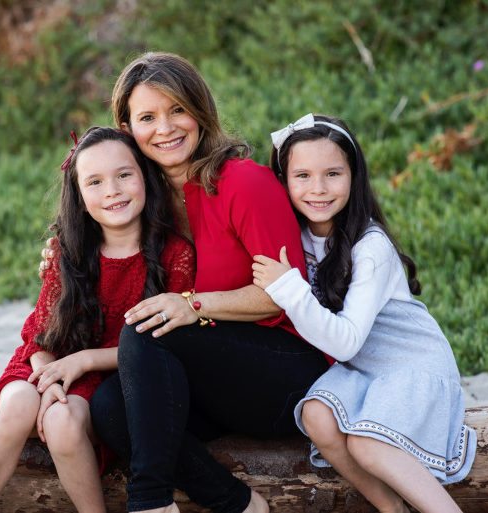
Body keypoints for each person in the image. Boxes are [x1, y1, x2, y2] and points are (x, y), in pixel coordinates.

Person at [86, 52, 330, 513]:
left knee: (153, 327)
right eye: (147, 117)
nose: (166, 128)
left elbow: (283, 295)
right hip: (213, 383)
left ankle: (150, 502)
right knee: (108, 409)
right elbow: (95, 224)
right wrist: (61, 256)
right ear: (126, 128)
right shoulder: (145, 198)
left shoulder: (242, 183)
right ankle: (240, 504)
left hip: (286, 375)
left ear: (200, 111)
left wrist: (192, 305)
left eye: (178, 109)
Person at [0, 126, 196, 513]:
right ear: (81, 198)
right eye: (95, 181)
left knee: (62, 422)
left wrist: (83, 362)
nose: (112, 191)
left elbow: (165, 342)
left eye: (124, 175)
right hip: (47, 361)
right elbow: (41, 333)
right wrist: (48, 378)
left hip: (110, 376)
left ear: (145, 177)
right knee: (19, 401)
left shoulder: (175, 255)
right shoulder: (68, 252)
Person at [252, 113, 476, 513]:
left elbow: (346, 339)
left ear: (354, 177)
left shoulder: (370, 246)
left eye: (333, 174)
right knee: (318, 417)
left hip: (411, 365)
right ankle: (391, 508)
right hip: (362, 371)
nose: (317, 189)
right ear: (282, 179)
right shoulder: (296, 236)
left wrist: (288, 288)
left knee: (368, 443)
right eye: (301, 176)